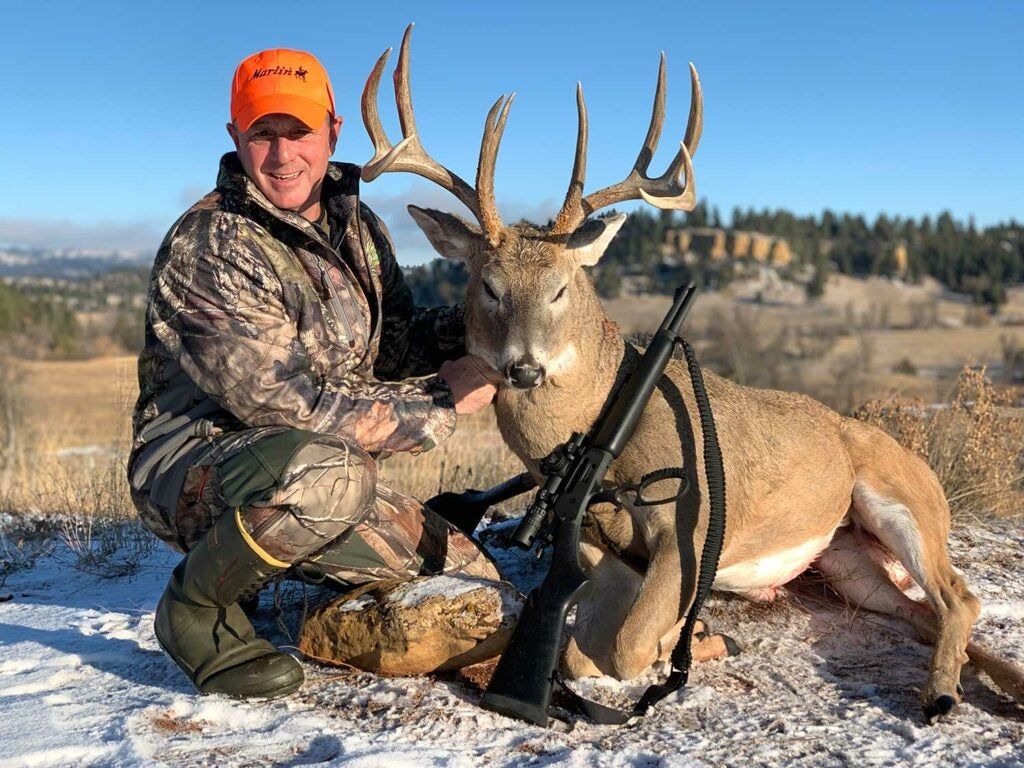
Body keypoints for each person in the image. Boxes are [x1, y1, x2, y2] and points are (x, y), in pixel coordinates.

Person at [128, 48, 502, 700]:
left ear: (332, 131)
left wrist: (501, 325)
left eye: (298, 131)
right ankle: (197, 608)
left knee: (470, 580)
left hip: (310, 467)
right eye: (262, 134)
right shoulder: (211, 243)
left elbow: (396, 345)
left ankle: (297, 599)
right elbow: (284, 404)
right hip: (196, 468)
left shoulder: (358, 226)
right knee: (332, 477)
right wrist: (443, 402)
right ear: (235, 137)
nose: (282, 155)